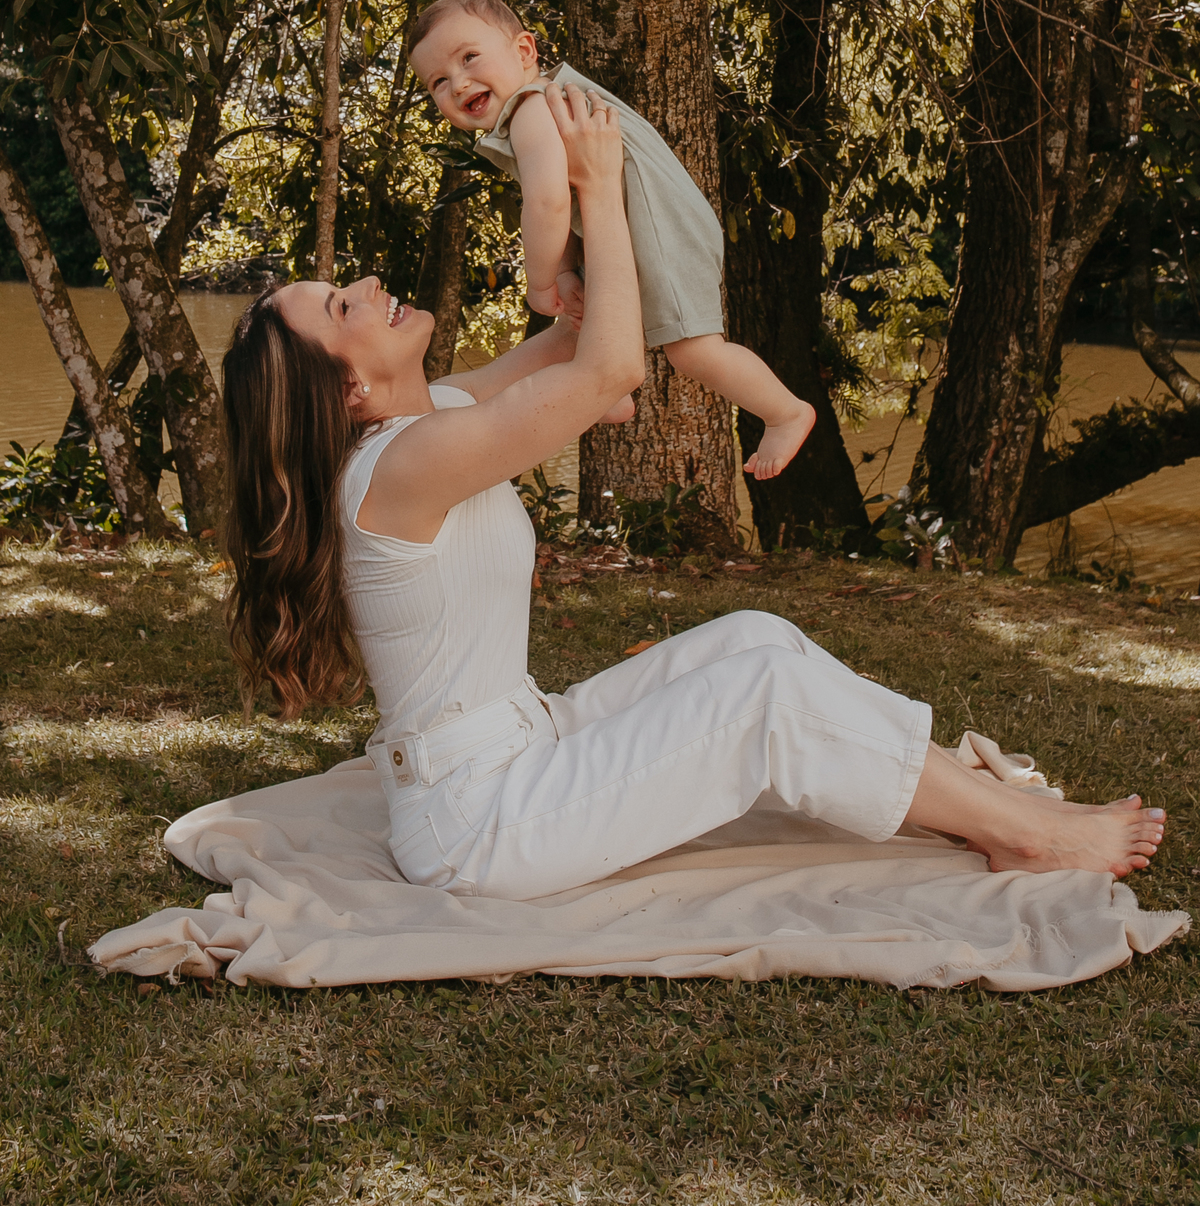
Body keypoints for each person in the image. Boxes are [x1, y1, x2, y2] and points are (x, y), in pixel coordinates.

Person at [221, 80, 1165, 904]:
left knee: (754, 638)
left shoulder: (437, 419)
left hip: (522, 744)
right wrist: (597, 193)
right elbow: (608, 372)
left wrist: (579, 193)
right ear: (349, 389)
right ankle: (1024, 837)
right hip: (479, 821)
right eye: (342, 305)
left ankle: (967, 802)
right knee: (767, 694)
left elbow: (576, 342)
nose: (368, 283)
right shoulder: (403, 466)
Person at [406, 0, 816, 480]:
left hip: (663, 229)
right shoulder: (540, 102)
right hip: (641, 223)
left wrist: (541, 282)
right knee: (582, 322)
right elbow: (566, 199)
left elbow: (548, 203)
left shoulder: (531, 111)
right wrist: (565, 272)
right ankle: (605, 392)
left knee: (694, 350)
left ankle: (784, 411)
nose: (458, 83)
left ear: (524, 50)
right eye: (438, 81)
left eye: (469, 57)